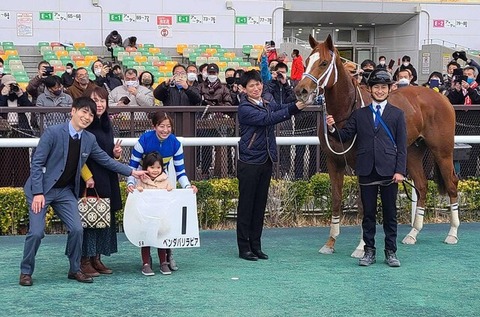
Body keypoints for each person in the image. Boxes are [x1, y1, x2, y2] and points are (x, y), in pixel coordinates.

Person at [19, 97, 146, 287]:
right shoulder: (53, 133)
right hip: (42, 191)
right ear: (73, 111)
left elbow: (105, 159)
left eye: (91, 114)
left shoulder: (89, 138)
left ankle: (74, 269)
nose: (87, 117)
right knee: (36, 232)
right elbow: (36, 163)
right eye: (83, 111)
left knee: (78, 229)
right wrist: (38, 193)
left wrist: (132, 171)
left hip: (64, 192)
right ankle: (26, 271)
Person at [325, 69, 407, 267]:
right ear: (369, 89)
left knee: (390, 214)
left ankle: (391, 251)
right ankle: (369, 250)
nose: (380, 91)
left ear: (389, 89)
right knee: (368, 214)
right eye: (376, 87)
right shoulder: (359, 114)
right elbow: (345, 136)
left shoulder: (397, 114)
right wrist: (332, 127)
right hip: (366, 169)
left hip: (389, 170)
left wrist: (400, 171)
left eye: (383, 87)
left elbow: (402, 146)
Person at [236, 70, 307, 261]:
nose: (256, 88)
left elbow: (280, 107)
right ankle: (244, 248)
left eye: (258, 84)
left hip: (266, 159)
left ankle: (256, 246)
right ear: (244, 89)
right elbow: (269, 119)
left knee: (259, 206)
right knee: (246, 206)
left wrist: (297, 104)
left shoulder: (266, 101)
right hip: (249, 161)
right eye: (251, 86)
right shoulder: (244, 108)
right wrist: (295, 108)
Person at [127, 111, 198, 274]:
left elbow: (180, 171)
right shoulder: (143, 140)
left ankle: (167, 255)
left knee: (165, 222)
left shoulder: (175, 143)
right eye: (161, 126)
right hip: (143, 181)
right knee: (145, 224)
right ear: (154, 127)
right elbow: (132, 166)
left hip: (163, 180)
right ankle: (147, 260)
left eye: (168, 127)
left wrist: (188, 188)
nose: (165, 130)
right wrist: (131, 184)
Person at [78, 86, 124, 277]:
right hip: (89, 179)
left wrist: (116, 155)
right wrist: (87, 176)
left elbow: (106, 154)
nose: (99, 104)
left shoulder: (107, 124)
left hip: (106, 176)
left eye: (102, 100)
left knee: (103, 217)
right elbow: (77, 156)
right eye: (95, 100)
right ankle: (84, 260)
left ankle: (96, 258)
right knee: (88, 219)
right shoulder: (85, 124)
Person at [128, 151, 174, 276]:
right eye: (152, 167)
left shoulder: (165, 180)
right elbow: (137, 198)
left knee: (162, 240)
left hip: (161, 218)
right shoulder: (141, 181)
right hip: (146, 219)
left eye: (158, 167)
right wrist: (139, 190)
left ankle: (163, 262)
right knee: (146, 241)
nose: (155, 170)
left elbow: (171, 198)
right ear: (145, 168)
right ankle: (146, 263)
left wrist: (170, 190)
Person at [0, 75, 33, 187]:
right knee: (5, 160)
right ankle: (4, 185)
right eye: (9, 85)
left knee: (21, 161)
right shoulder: (1, 95)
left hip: (20, 129)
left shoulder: (20, 95)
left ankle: (23, 185)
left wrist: (20, 94)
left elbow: (29, 106)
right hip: (4, 131)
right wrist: (3, 95)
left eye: (13, 84)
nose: (11, 87)